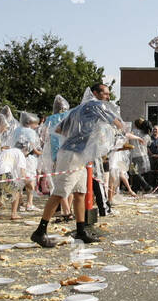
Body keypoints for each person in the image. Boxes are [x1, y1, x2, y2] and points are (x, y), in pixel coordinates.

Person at [30, 83, 127, 246]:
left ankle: (81, 231)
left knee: (80, 192)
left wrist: (80, 134)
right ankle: (40, 231)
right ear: (95, 93)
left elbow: (59, 129)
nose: (108, 97)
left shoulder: (76, 110)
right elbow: (118, 123)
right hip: (72, 155)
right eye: (106, 94)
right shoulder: (97, 105)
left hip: (77, 155)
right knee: (60, 193)